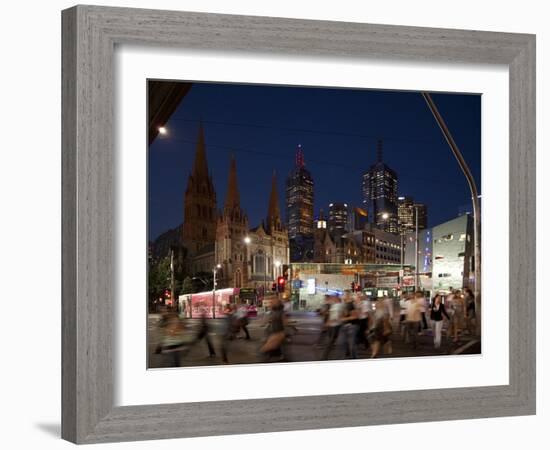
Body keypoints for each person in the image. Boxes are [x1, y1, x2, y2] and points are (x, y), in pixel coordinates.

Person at [321, 295, 343, 360]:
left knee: (330, 342)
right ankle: (326, 355)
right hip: (332, 325)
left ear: (337, 299)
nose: (332, 299)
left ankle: (325, 356)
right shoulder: (334, 305)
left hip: (336, 325)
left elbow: (337, 317)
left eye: (334, 298)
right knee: (331, 341)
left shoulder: (339, 306)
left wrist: (328, 322)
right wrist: (327, 322)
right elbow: (331, 315)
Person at [340, 291, 359, 358]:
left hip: (352, 326)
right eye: (343, 295)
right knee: (344, 343)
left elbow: (355, 316)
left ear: (348, 296)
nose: (342, 296)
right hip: (345, 326)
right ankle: (347, 356)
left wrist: (344, 319)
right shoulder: (344, 304)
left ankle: (354, 358)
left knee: (351, 345)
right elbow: (342, 315)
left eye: (344, 295)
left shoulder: (351, 304)